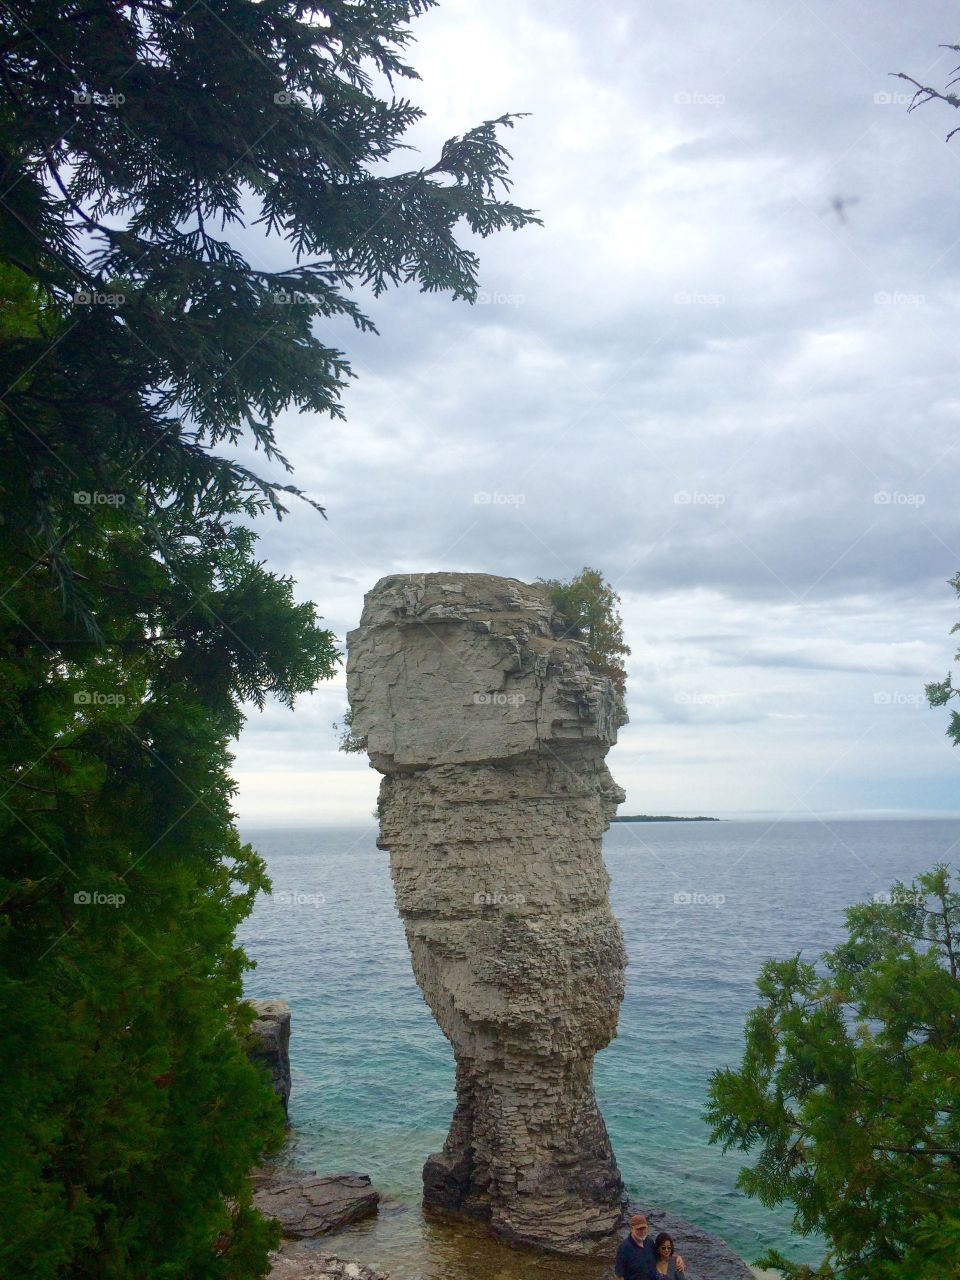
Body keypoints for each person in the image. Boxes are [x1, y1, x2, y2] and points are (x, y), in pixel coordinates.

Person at [613, 1213, 685, 1279]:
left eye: (644, 1228)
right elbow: (619, 1275)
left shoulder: (649, 1242)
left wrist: (677, 1258)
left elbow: (661, 1253)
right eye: (639, 1229)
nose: (642, 1231)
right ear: (632, 1228)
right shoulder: (624, 1248)